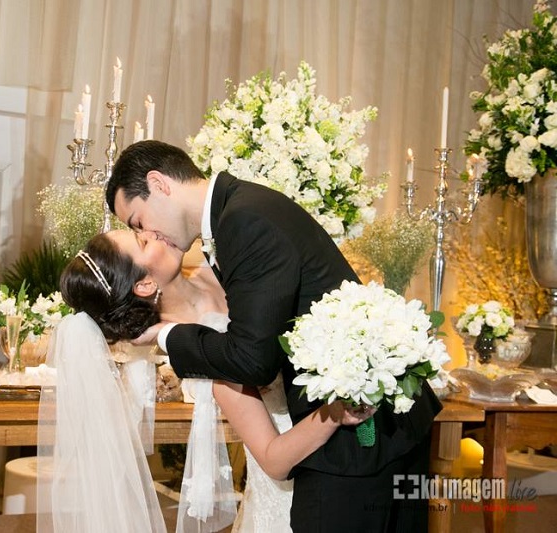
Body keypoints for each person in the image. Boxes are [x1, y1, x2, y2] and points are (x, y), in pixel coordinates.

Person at [105, 140, 442, 531]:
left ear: (159, 183)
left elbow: (254, 360)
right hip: (377, 427)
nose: (149, 234)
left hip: (356, 441)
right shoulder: (240, 209)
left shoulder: (244, 221)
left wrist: (165, 335)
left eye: (138, 222)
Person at [58, 230, 374, 531]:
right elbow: (274, 459)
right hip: (298, 500)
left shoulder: (224, 264)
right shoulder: (204, 356)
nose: (154, 231)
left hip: (358, 467)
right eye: (142, 241)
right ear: (144, 284)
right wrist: (333, 414)